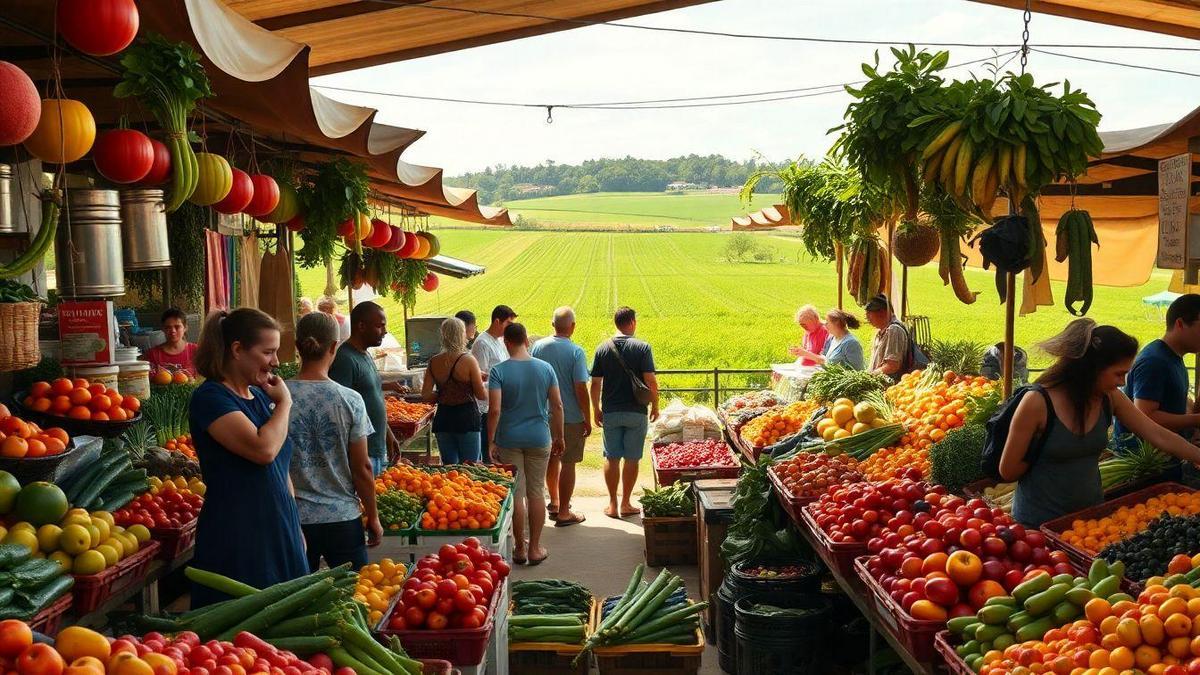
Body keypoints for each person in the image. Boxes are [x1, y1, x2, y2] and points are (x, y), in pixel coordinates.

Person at [998, 319, 1200, 527]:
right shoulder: (1037, 402)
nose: (1123, 382)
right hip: (1038, 523)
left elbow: (1158, 434)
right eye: (1118, 374)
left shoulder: (1110, 398)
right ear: (1092, 368)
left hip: (1091, 521)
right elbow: (1008, 470)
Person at [188, 308, 307, 607]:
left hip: (279, 529)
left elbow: (281, 468)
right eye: (268, 352)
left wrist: (295, 525)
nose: (276, 362)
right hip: (240, 537)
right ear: (237, 349)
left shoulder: (264, 399)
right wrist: (286, 403)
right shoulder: (211, 398)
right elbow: (263, 450)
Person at [285, 312, 381, 570]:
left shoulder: (277, 397)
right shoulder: (349, 400)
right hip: (342, 518)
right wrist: (373, 515)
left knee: (299, 599)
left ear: (298, 347)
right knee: (352, 597)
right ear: (334, 347)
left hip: (293, 519)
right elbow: (362, 468)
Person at [487, 323, 564, 566]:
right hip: (539, 437)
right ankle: (536, 548)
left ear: (506, 343)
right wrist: (559, 436)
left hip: (510, 438)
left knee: (517, 494)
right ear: (526, 341)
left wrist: (491, 440)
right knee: (536, 492)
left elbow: (495, 409)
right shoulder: (546, 368)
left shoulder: (498, 371)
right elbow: (557, 405)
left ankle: (520, 548)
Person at [1114, 295, 1200, 475]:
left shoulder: (1173, 357)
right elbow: (1145, 416)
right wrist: (1196, 420)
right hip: (1147, 469)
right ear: (1180, 323)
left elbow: (1173, 399)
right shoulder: (1155, 361)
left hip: (1168, 457)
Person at [590, 306, 659, 520]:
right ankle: (626, 502)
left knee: (611, 457)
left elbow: (595, 384)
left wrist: (596, 409)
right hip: (636, 412)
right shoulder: (643, 347)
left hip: (611, 410)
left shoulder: (603, 348)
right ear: (632, 323)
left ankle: (612, 504)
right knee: (632, 458)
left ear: (616, 324)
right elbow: (651, 380)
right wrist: (655, 405)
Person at [530, 307, 591, 527]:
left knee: (551, 458)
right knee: (569, 462)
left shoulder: (537, 347)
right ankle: (565, 512)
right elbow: (580, 387)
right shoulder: (576, 352)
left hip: (543, 413)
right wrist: (587, 416)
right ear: (573, 326)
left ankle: (554, 502)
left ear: (552, 324)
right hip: (570, 415)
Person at [329, 302, 401, 475]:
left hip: (376, 449)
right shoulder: (345, 359)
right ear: (361, 326)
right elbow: (340, 409)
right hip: (362, 455)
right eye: (380, 326)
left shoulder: (365, 354)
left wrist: (388, 434)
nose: (385, 331)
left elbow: (372, 396)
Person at [421, 317, 487, 464]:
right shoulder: (469, 360)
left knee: (449, 468)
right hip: (467, 419)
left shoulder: (434, 361)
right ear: (461, 335)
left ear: (443, 335)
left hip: (443, 419)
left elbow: (425, 395)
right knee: (470, 469)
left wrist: (444, 394)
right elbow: (481, 394)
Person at [472, 305, 517, 452]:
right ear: (497, 321)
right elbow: (480, 379)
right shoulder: (482, 343)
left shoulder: (500, 341)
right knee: (488, 450)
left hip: (500, 404)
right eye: (508, 324)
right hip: (486, 407)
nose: (510, 328)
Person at [864, 295, 920, 381]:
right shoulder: (882, 331)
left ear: (882, 312)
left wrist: (870, 376)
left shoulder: (894, 330)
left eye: (869, 315)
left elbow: (892, 365)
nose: (867, 319)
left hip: (890, 386)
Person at [791, 309, 864, 370]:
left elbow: (858, 371)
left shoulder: (851, 343)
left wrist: (805, 354)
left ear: (837, 324)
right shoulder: (831, 338)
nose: (825, 324)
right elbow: (823, 359)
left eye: (827, 322)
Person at [144, 308, 199, 376]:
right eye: (168, 327)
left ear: (185, 328)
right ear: (163, 329)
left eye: (177, 327)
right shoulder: (152, 354)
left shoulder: (196, 351)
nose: (173, 331)